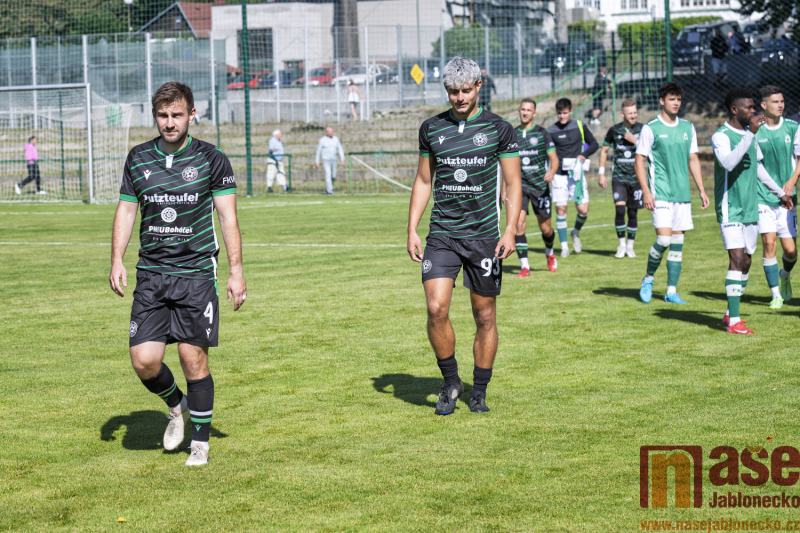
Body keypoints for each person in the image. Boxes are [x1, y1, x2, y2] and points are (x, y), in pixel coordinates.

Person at [109, 81, 247, 466]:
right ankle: (177, 405)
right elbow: (126, 210)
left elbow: (228, 217)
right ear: (155, 116)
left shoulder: (212, 159)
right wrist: (117, 259)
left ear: (191, 115)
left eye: (177, 115)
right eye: (163, 115)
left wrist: (236, 271)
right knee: (144, 360)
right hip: (151, 275)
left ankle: (199, 444)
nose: (169, 122)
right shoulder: (138, 157)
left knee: (192, 358)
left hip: (196, 274)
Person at [407, 56, 521, 415]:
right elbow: (423, 180)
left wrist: (510, 230)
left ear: (478, 86)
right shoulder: (431, 128)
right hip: (442, 234)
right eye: (453, 91)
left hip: (484, 236)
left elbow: (514, 183)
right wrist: (412, 228)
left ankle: (479, 390)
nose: (459, 98)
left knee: (484, 315)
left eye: (466, 91)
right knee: (435, 308)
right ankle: (450, 382)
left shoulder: (499, 129)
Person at [712, 87, 791, 334]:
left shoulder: (750, 136)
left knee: (746, 261)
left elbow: (758, 170)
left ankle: (729, 313)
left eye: (753, 106)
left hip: (750, 207)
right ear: (735, 109)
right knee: (736, 259)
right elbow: (728, 163)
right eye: (748, 107)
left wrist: (780, 193)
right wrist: (750, 134)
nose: (753, 110)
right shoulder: (721, 136)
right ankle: (734, 322)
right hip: (730, 208)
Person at [637, 82, 710, 305]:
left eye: (678, 99)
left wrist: (701, 189)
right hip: (660, 193)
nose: (676, 103)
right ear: (662, 101)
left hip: (682, 194)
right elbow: (639, 161)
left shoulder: (688, 127)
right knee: (664, 239)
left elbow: (693, 159)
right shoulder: (650, 128)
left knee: (677, 243)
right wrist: (646, 191)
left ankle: (671, 291)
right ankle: (648, 279)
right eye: (671, 99)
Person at [752, 85, 800, 310]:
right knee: (769, 242)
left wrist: (792, 181)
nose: (780, 105)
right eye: (775, 102)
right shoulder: (755, 130)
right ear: (763, 105)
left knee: (791, 251)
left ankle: (785, 275)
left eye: (782, 101)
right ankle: (775, 294)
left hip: (788, 198)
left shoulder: (793, 127)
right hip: (763, 196)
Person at [505, 97, 559, 277]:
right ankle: (525, 267)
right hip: (519, 188)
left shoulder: (543, 133)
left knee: (546, 229)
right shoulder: (512, 134)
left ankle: (549, 252)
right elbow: (506, 164)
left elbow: (554, 158)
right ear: (519, 111)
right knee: (519, 225)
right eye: (523, 109)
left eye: (528, 110)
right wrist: (504, 189)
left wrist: (552, 171)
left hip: (539, 187)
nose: (525, 112)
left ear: (534, 113)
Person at [547, 98, 599, 256]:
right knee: (561, 210)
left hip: (577, 176)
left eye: (565, 113)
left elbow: (594, 144)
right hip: (559, 176)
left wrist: (584, 155)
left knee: (583, 210)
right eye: (559, 113)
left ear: (570, 111)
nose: (562, 116)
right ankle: (564, 248)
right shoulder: (551, 130)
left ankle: (575, 232)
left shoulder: (580, 126)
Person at [599, 99, 644, 258]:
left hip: (636, 177)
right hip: (619, 176)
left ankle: (630, 246)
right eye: (630, 113)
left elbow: (651, 150)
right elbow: (604, 150)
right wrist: (601, 173)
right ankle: (621, 245)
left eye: (635, 112)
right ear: (622, 114)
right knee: (619, 210)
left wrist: (635, 141)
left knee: (632, 213)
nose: (633, 116)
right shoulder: (614, 130)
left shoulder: (642, 129)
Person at [315, 126, 345, 195]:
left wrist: (342, 158)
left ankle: (329, 188)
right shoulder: (322, 140)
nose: (332, 133)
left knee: (333, 176)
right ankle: (329, 191)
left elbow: (340, 148)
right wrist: (317, 161)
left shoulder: (336, 139)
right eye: (330, 131)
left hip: (334, 160)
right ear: (326, 132)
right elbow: (318, 151)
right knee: (328, 175)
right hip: (326, 160)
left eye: (332, 131)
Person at [266, 129, 286, 193]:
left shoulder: (279, 141)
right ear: (276, 135)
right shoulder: (272, 140)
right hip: (273, 160)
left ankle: (285, 187)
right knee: (271, 173)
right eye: (280, 134)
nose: (281, 135)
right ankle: (269, 187)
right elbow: (271, 149)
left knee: (281, 173)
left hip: (279, 160)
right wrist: (277, 150)